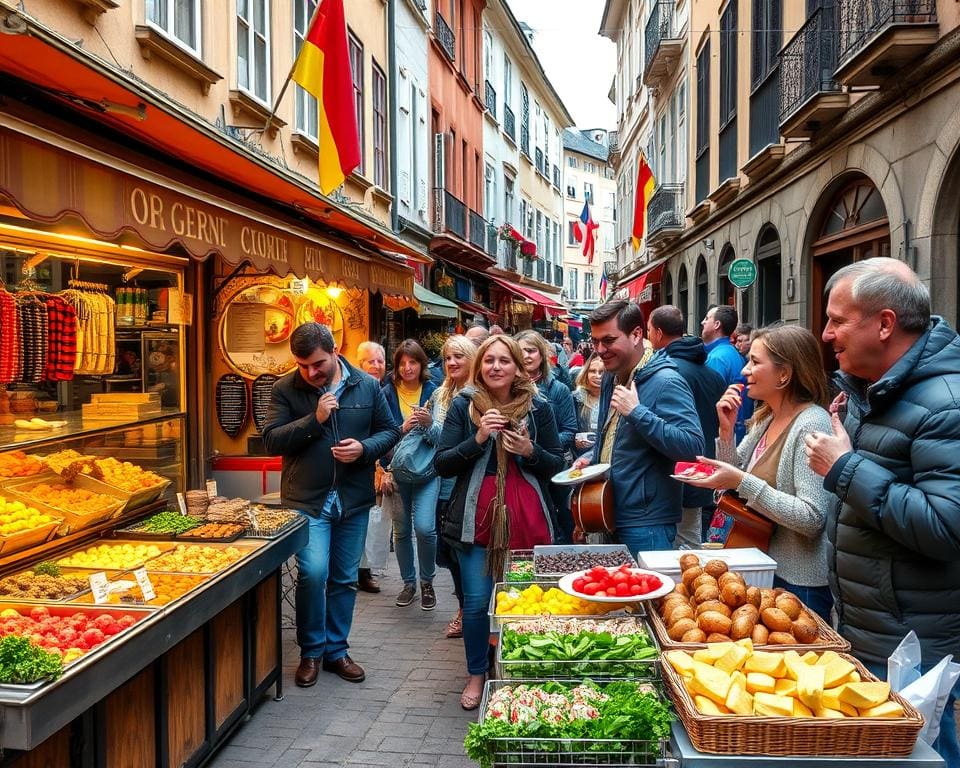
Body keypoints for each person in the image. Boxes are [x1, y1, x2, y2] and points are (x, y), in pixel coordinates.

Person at [804, 257, 960, 767]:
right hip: (872, 630)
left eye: (836, 320)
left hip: (913, 646)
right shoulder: (870, 391)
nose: (826, 334)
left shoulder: (946, 403)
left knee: (927, 752)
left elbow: (945, 527)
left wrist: (845, 467)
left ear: (886, 323)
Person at [262, 323, 399, 687]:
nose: (310, 373)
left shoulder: (367, 386)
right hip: (307, 499)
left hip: (352, 500)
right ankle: (311, 651)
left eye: (318, 364)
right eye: (302, 365)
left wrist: (364, 450)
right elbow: (272, 441)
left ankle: (336, 651)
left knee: (343, 578)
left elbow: (390, 430)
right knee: (314, 572)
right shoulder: (284, 389)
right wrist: (315, 420)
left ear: (335, 350)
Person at [435, 335, 565, 710]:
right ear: (479, 367)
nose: (495, 367)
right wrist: (477, 439)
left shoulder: (539, 407)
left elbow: (556, 462)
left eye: (503, 361)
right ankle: (477, 672)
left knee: (526, 599)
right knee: (476, 603)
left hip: (527, 515)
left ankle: (523, 668)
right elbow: (442, 463)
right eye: (488, 360)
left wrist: (529, 451)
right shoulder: (464, 406)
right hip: (476, 516)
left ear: (518, 367)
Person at [676, 325, 834, 621]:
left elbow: (812, 518)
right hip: (764, 567)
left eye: (755, 362)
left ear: (784, 374)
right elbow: (735, 475)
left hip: (798, 581)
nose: (745, 370)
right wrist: (725, 432)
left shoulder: (812, 423)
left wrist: (741, 481)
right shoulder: (766, 417)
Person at [573, 300, 703, 555]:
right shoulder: (614, 374)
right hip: (608, 512)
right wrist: (593, 458)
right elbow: (617, 438)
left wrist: (637, 412)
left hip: (647, 524)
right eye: (595, 341)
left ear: (636, 335)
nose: (600, 349)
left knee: (649, 597)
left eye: (608, 340)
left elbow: (692, 446)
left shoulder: (666, 381)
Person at [647, 305, 726, 549]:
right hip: (704, 472)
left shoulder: (663, 373)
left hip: (671, 476)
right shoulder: (713, 374)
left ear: (658, 333)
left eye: (649, 330)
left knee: (672, 554)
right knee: (691, 547)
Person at [423, 335, 477, 639]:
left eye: (458, 356)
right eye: (447, 358)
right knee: (450, 554)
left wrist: (430, 426)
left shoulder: (478, 396)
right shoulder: (440, 394)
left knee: (467, 551)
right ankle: (463, 607)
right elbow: (441, 446)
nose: (452, 362)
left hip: (468, 484)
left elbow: (450, 440)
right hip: (443, 484)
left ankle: (471, 609)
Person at [381, 339, 439, 610]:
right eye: (402, 363)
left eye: (412, 362)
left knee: (425, 528)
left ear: (421, 364)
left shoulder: (434, 391)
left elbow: (442, 434)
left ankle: (427, 581)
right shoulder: (386, 393)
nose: (407, 368)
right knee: (401, 531)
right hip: (396, 471)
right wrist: (400, 429)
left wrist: (428, 425)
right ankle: (409, 583)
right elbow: (378, 433)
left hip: (427, 469)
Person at [516, 330, 579, 543]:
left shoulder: (558, 390)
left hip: (554, 468)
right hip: (521, 469)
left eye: (531, 351)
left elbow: (570, 430)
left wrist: (539, 447)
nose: (526, 356)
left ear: (541, 356)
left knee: (560, 519)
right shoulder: (505, 390)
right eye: (521, 351)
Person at [354, 341, 388, 593]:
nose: (376, 366)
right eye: (370, 361)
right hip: (357, 465)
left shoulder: (385, 389)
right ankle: (356, 571)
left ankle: (365, 571)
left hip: (377, 464)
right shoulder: (354, 389)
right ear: (360, 364)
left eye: (380, 361)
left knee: (372, 523)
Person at [701, 305, 744, 385]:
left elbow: (711, 394)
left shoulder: (716, 358)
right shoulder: (733, 352)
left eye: (707, 318)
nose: (703, 322)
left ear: (717, 324)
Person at [572, 354, 604, 453]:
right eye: (592, 371)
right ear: (586, 373)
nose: (597, 376)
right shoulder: (575, 398)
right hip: (580, 457)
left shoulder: (615, 398)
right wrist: (574, 441)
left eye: (602, 372)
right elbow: (567, 429)